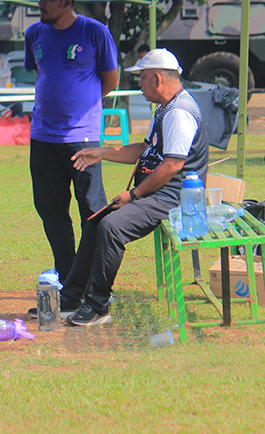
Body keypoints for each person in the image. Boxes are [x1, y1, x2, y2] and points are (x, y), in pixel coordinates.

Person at [33, 49, 208, 327]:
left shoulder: (179, 113)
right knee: (96, 221)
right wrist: (102, 152)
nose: (138, 85)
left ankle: (98, 304)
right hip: (157, 193)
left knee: (111, 228)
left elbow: (173, 165)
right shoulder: (165, 108)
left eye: (141, 78)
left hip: (172, 198)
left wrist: (134, 195)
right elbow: (143, 149)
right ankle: (71, 299)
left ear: (158, 78)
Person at [24, 0, 120, 281]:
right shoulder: (34, 33)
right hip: (42, 138)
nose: (41, 4)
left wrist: (83, 107)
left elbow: (111, 80)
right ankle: (69, 278)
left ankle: (95, 279)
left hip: (83, 139)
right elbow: (43, 73)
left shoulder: (95, 32)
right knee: (51, 212)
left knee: (92, 211)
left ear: (67, 2)